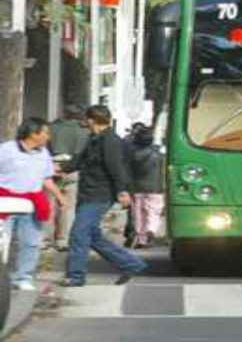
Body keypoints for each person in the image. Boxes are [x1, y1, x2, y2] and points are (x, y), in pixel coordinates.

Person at [59, 106, 148, 287]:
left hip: (99, 194)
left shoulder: (110, 141)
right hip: (89, 193)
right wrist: (60, 168)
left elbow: (116, 167)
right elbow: (80, 160)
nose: (84, 122)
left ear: (91, 120)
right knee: (92, 236)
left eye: (86, 119)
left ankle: (75, 276)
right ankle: (131, 264)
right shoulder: (94, 139)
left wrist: (122, 191)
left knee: (79, 233)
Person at [0, 118, 67, 291]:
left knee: (30, 243)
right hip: (5, 203)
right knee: (3, 244)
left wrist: (59, 196)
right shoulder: (6, 150)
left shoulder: (43, 153)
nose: (48, 136)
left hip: (31, 205)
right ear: (33, 133)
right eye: (45, 132)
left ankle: (22, 277)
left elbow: (46, 179)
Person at [48, 104, 90, 251]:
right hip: (73, 168)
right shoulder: (85, 131)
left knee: (49, 203)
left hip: (52, 166)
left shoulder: (51, 127)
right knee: (68, 206)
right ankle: (63, 239)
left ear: (64, 113)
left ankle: (45, 239)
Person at [128, 127, 164, 248]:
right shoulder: (158, 154)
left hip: (137, 187)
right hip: (155, 187)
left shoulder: (132, 154)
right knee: (153, 211)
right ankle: (151, 230)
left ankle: (140, 238)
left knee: (138, 214)